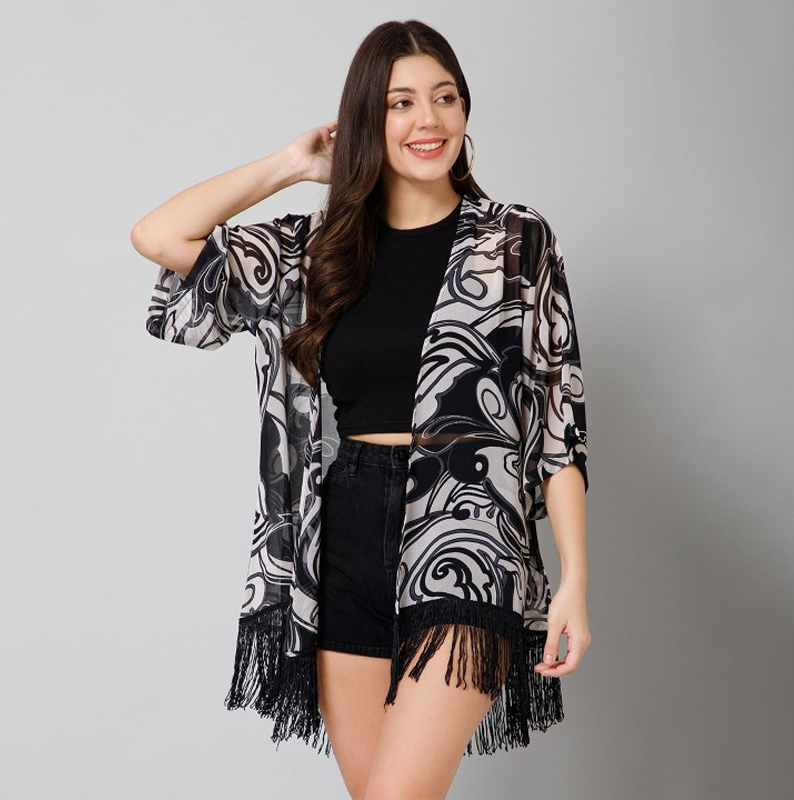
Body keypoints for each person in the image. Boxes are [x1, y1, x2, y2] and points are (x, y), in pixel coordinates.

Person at [133, 18, 591, 800]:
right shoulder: (319, 250)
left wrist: (574, 578)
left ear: (465, 110)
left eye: (445, 98)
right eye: (399, 103)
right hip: (343, 535)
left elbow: (558, 421)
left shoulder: (514, 242)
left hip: (467, 530)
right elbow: (157, 235)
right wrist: (289, 165)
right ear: (364, 121)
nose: (428, 120)